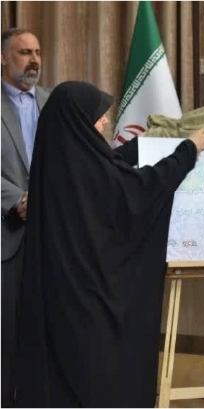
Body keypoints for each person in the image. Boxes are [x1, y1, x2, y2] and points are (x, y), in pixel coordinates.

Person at [13, 81, 204, 408]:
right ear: (79, 122)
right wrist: (187, 150)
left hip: (60, 297)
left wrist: (143, 144)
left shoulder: (56, 163)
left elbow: (107, 164)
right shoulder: (90, 171)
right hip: (89, 300)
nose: (105, 121)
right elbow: (141, 188)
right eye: (98, 116)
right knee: (94, 376)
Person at [0, 27, 50, 407]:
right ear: (3, 59)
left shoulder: (52, 102)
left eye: (37, 52)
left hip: (52, 238)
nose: (34, 60)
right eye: (24, 53)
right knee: (7, 339)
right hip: (8, 235)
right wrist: (16, 200)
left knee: (46, 333)